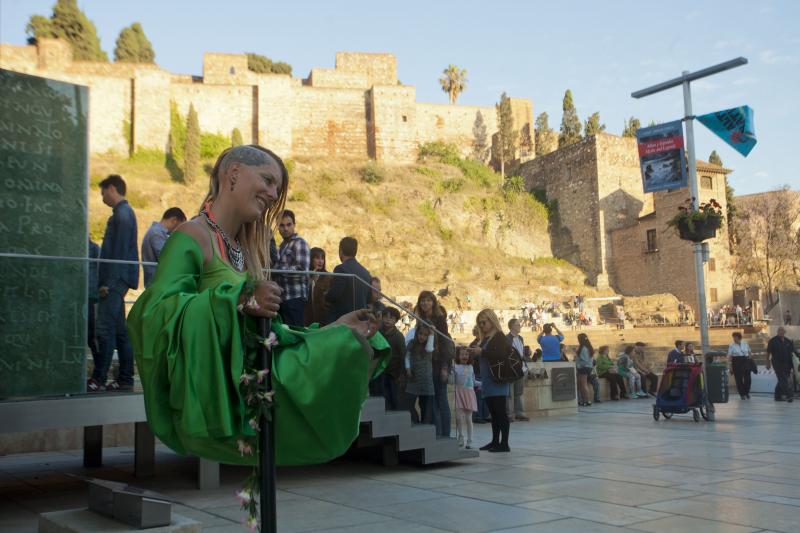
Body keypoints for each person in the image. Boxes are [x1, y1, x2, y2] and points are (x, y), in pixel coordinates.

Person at [127, 145, 386, 467]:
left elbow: (269, 335)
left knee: (349, 343)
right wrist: (238, 299)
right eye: (267, 180)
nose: (274, 193)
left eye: (277, 187)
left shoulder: (241, 250)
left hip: (256, 385)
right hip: (223, 399)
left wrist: (336, 328)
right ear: (233, 173)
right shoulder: (190, 236)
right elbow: (154, 313)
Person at [90, 174, 139, 393]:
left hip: (115, 281)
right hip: (120, 279)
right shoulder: (123, 214)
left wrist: (107, 283)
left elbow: (117, 253)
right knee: (120, 332)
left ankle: (98, 379)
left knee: (105, 329)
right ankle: (126, 378)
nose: (102, 198)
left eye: (102, 193)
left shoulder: (122, 215)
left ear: (111, 188)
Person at [468, 309, 511, 452]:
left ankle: (504, 444)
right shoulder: (485, 338)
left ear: (492, 321)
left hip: (497, 380)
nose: (481, 325)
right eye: (479, 323)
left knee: (500, 413)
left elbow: (501, 354)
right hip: (488, 380)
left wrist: (482, 352)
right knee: (493, 413)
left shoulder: (499, 336)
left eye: (484, 322)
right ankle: (494, 441)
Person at [411, 290, 453, 437]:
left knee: (441, 399)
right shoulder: (420, 319)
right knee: (431, 401)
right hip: (427, 364)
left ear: (433, 302)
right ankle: (437, 433)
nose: (425, 303)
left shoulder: (440, 319)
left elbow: (444, 343)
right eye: (422, 300)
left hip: (438, 363)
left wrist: (444, 367)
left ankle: (445, 435)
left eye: (428, 300)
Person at [274, 209, 310, 326]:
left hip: (295, 298)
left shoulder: (300, 243)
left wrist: (277, 270)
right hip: (282, 299)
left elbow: (302, 271)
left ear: (294, 225)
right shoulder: (282, 246)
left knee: (295, 334)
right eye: (282, 225)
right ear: (278, 227)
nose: (285, 228)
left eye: (289, 224)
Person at [325, 236, 372, 323]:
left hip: (344, 320)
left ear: (340, 251)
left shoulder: (341, 269)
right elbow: (369, 299)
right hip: (361, 321)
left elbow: (335, 295)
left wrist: (325, 295)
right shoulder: (366, 272)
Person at [141, 207, 187, 288]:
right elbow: (166, 257)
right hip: (157, 284)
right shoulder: (157, 234)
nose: (179, 231)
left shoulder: (157, 232)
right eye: (180, 227)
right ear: (174, 220)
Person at [405, 325, 436, 424]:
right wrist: (408, 368)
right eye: (420, 333)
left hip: (426, 380)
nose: (422, 337)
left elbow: (429, 349)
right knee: (409, 404)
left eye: (425, 335)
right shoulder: (411, 343)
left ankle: (425, 428)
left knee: (426, 408)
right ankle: (416, 422)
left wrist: (431, 334)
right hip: (413, 378)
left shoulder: (429, 345)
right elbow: (407, 356)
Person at [380, 306, 407, 410]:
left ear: (396, 321)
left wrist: (401, 374)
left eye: (391, 318)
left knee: (395, 398)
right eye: (385, 317)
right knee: (383, 398)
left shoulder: (398, 336)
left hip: (394, 374)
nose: (388, 320)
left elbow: (403, 355)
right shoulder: (378, 333)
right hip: (381, 371)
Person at [454, 346, 478, 448]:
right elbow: (452, 381)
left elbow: (473, 381)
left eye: (467, 354)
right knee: (459, 418)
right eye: (462, 354)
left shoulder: (471, 367)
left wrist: (483, 383)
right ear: (458, 356)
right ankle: (461, 437)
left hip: (469, 394)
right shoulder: (455, 367)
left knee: (469, 418)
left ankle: (470, 440)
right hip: (459, 394)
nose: (465, 356)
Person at [506, 319, 529, 421]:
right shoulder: (507, 339)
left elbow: (521, 353)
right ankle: (509, 414)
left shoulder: (520, 338)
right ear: (511, 326)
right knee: (509, 393)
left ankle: (520, 413)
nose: (520, 326)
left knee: (519, 392)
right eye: (517, 324)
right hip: (511, 369)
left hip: (521, 369)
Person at [303, 247, 331, 326]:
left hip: (322, 316)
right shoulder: (306, 275)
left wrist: (316, 282)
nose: (320, 261)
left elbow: (326, 296)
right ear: (311, 259)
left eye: (322, 258)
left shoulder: (328, 276)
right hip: (308, 316)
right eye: (317, 258)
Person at [767, 327, 794, 402]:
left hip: (787, 364)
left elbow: (793, 352)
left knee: (781, 380)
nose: (780, 332)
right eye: (779, 330)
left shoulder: (788, 341)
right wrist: (767, 362)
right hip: (777, 363)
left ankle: (777, 396)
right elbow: (768, 352)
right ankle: (789, 396)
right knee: (783, 379)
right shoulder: (772, 341)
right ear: (777, 332)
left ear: (784, 332)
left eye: (782, 331)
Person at [728, 332, 753, 400]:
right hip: (736, 361)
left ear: (739, 337)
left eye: (735, 337)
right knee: (738, 379)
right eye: (733, 337)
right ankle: (742, 394)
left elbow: (749, 352)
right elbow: (730, 356)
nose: (734, 338)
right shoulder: (731, 345)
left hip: (745, 360)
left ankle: (746, 392)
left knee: (748, 379)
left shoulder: (745, 343)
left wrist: (750, 360)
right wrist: (730, 366)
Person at [87, 239, 100, 368]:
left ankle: (98, 370)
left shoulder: (94, 249)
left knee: (92, 336)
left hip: (91, 297)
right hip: (79, 297)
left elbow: (101, 269)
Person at [575, 333, 594, 406]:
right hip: (587, 367)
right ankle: (584, 400)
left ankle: (587, 400)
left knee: (583, 385)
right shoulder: (588, 347)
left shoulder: (583, 348)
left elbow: (585, 360)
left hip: (583, 368)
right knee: (580, 385)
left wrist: (578, 365)